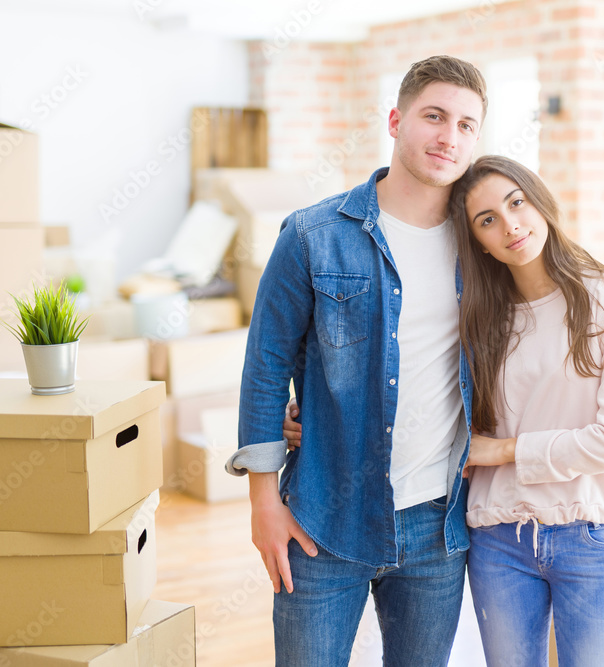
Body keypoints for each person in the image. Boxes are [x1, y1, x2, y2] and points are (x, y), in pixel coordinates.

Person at [224, 55, 487, 667]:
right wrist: (264, 505)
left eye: (467, 125)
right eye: (434, 116)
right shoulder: (313, 235)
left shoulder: (482, 248)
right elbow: (265, 369)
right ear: (396, 121)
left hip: (436, 529)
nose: (449, 136)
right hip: (321, 519)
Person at [448, 155, 604, 666]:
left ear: (539, 201)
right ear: (478, 241)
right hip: (499, 536)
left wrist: (504, 450)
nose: (510, 225)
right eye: (488, 220)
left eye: (516, 203)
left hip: (593, 531)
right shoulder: (480, 320)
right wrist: (309, 418)